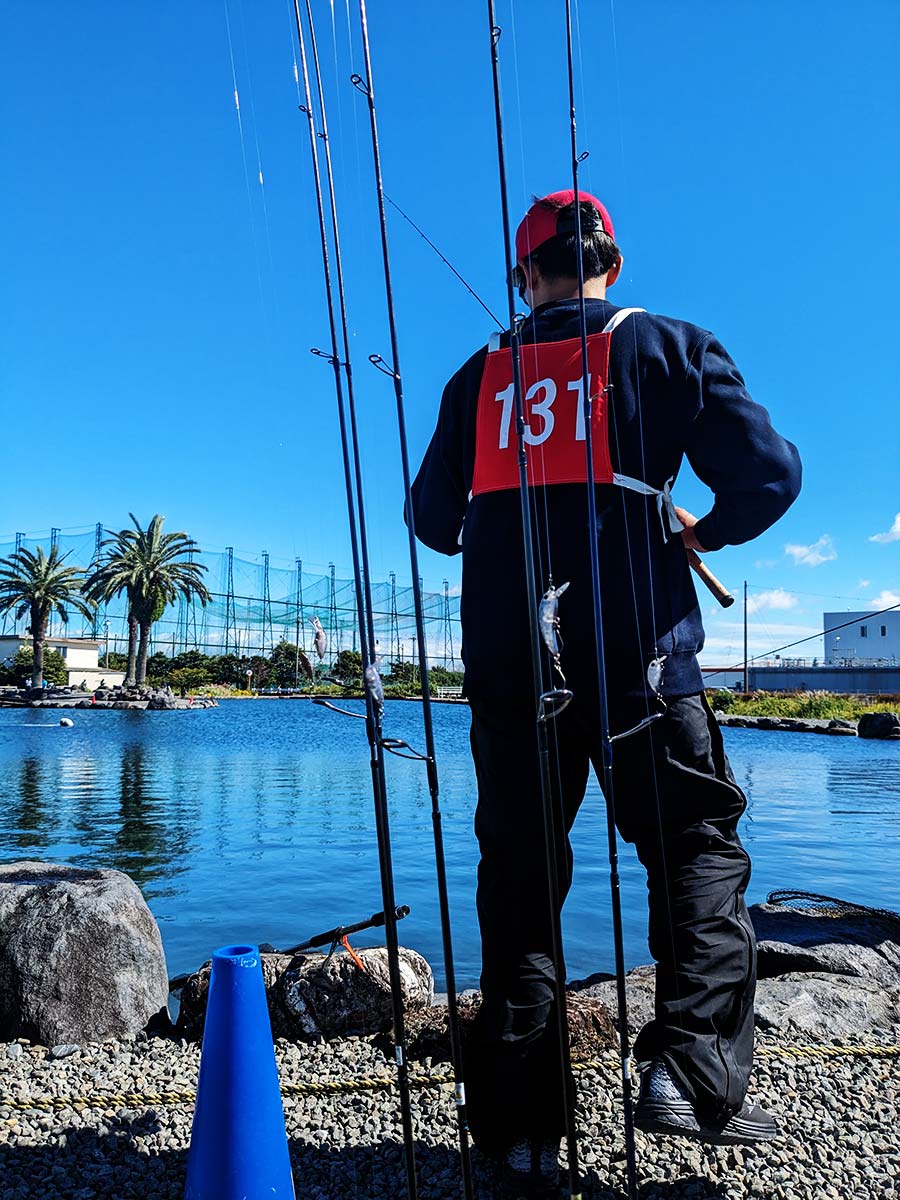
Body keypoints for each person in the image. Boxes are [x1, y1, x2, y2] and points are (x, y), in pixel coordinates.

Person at [410, 190, 801, 1198]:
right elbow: (768, 476)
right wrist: (698, 530)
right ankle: (689, 1064)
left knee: (520, 879)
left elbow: (432, 523)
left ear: (524, 276)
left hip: (511, 673)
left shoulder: (476, 377)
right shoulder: (669, 347)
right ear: (611, 263)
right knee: (694, 846)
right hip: (644, 666)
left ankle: (519, 1133)